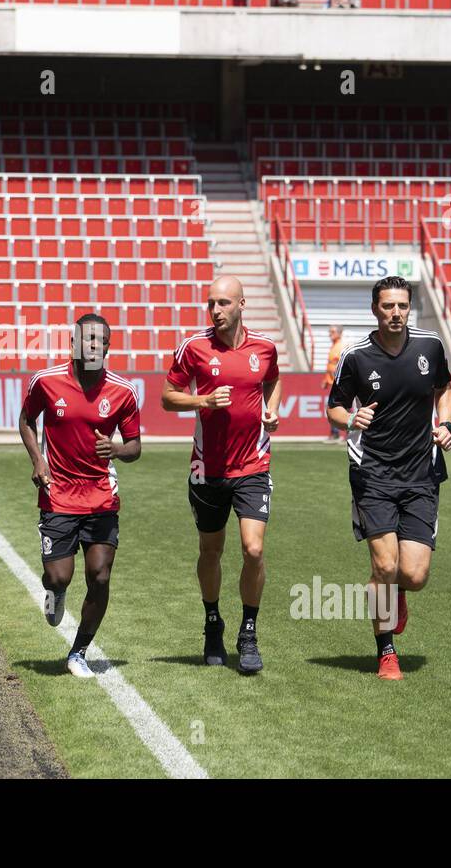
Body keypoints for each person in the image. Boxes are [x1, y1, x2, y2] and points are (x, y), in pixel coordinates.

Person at [325, 276, 451, 681]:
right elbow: (333, 408)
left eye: (402, 306)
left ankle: (390, 593)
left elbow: (445, 387)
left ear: (409, 308)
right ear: (374, 310)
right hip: (373, 473)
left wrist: (446, 422)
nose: (396, 313)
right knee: (385, 564)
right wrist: (351, 418)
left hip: (420, 473)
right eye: (388, 307)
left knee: (413, 575)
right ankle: (386, 651)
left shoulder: (429, 345)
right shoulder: (357, 356)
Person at [161, 275, 281, 674]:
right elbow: (167, 397)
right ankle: (213, 622)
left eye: (224, 303)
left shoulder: (263, 347)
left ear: (242, 304)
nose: (216, 310)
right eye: (211, 302)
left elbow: (273, 380)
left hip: (253, 466)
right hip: (207, 470)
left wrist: (271, 410)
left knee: (254, 549)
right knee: (210, 551)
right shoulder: (193, 347)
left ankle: (248, 632)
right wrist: (204, 399)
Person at [19, 314, 142, 678]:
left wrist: (117, 450)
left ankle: (78, 652)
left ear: (107, 346)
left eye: (99, 341)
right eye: (85, 340)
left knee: (100, 576)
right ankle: (55, 593)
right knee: (58, 576)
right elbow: (26, 420)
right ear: (73, 343)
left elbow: (135, 446)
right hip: (57, 495)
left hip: (101, 496)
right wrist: (38, 460)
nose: (92, 346)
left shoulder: (123, 391)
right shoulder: (46, 382)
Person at [322, 323, 346, 441]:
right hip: (333, 383)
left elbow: (343, 365)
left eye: (332, 332)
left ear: (339, 333)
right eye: (329, 332)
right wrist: (326, 380)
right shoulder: (334, 346)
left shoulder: (341, 346)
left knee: (336, 407)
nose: (330, 334)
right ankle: (335, 433)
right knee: (334, 407)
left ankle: (337, 433)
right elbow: (331, 366)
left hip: (340, 383)